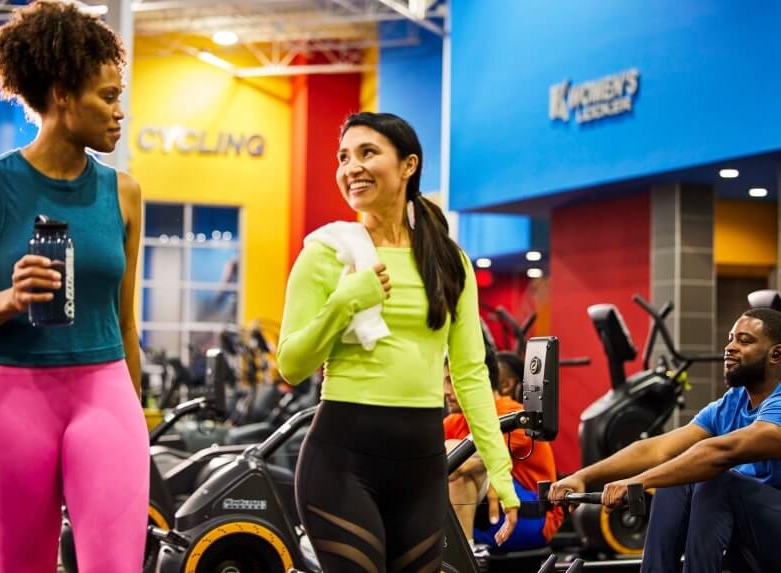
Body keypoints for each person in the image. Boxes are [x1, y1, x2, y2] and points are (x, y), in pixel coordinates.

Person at [277, 111, 520, 572]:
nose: (352, 167)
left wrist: (501, 473)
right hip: (340, 461)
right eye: (344, 157)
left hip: (421, 466)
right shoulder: (326, 254)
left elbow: (470, 375)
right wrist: (344, 302)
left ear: (408, 165)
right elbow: (290, 365)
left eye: (368, 153)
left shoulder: (449, 263)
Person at [0, 2, 148, 571]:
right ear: (63, 94)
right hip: (8, 403)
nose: (120, 112)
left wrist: (135, 415)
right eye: (108, 97)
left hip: (105, 395)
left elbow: (125, 319)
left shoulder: (125, 193)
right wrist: (7, 301)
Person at [549, 308, 781, 573]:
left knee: (716, 480)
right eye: (730, 338)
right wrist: (583, 476)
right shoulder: (732, 402)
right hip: (753, 537)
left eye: (744, 340)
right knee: (676, 481)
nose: (730, 347)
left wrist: (640, 481)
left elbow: (722, 452)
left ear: (776, 354)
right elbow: (657, 448)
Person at [444, 345, 563, 553]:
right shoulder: (454, 422)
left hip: (532, 517)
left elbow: (464, 463)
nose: (445, 391)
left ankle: (466, 555)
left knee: (459, 460)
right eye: (443, 381)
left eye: (451, 380)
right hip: (488, 519)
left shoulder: (513, 414)